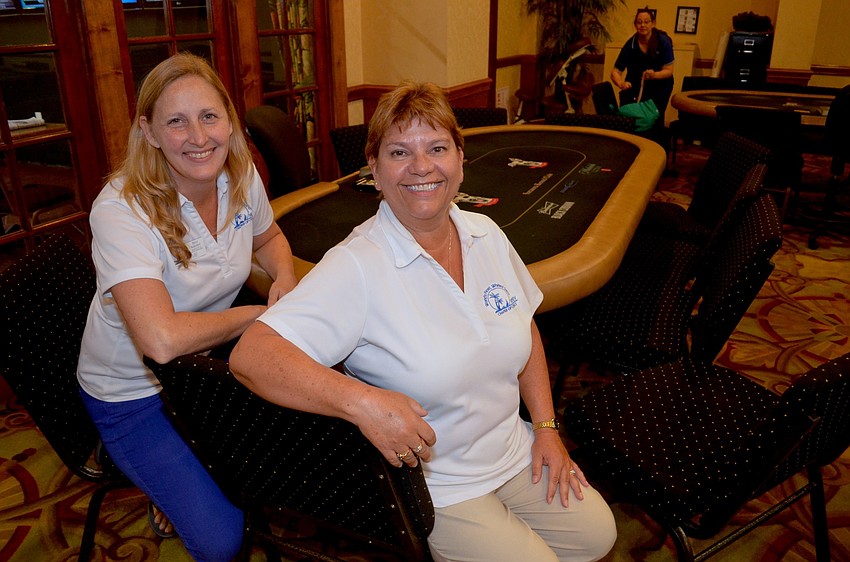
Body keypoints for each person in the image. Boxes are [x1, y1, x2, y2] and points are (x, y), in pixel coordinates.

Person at [230, 81, 616, 562]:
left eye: (437, 148)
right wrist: (362, 402)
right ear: (374, 170)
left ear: (460, 159)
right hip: (437, 483)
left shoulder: (485, 233)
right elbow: (252, 356)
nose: (421, 166)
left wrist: (546, 428)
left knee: (598, 536)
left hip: (512, 450)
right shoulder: (356, 265)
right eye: (399, 152)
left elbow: (526, 328)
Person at [76, 52, 297, 561]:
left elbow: (270, 237)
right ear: (149, 131)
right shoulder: (120, 209)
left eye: (209, 116)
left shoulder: (237, 174)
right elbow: (160, 340)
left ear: (229, 121)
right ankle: (146, 466)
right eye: (176, 121)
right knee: (222, 541)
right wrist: (261, 315)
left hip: (204, 367)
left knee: (288, 460)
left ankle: (177, 474)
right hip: (133, 392)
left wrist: (284, 278)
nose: (198, 137)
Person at [611, 7, 675, 119]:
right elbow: (615, 72)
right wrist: (621, 83)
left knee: (652, 118)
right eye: (639, 22)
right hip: (635, 85)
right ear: (635, 25)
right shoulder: (630, 44)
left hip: (659, 87)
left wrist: (654, 75)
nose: (642, 25)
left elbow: (669, 71)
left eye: (646, 22)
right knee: (628, 116)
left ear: (653, 23)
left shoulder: (663, 42)